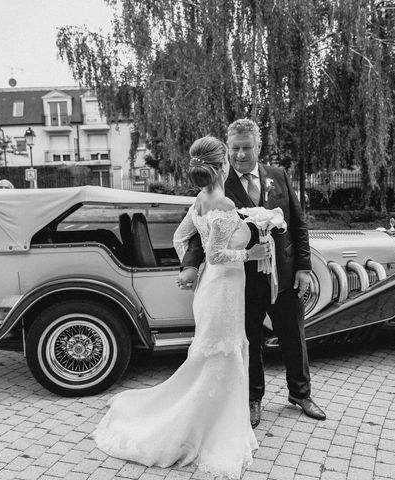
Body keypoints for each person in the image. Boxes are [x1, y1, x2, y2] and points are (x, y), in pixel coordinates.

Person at [94, 136, 271, 479]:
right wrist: (251, 254)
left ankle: (213, 415)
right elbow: (218, 254)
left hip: (211, 288)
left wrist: (193, 270)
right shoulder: (223, 204)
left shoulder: (200, 200)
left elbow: (180, 238)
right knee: (223, 353)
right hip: (224, 288)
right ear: (222, 166)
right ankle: (206, 425)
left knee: (214, 354)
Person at [179, 119, 326, 428]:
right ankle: (252, 399)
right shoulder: (217, 183)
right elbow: (196, 233)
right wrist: (190, 265)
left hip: (283, 277)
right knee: (250, 341)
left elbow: (299, 225)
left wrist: (303, 268)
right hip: (241, 279)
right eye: (235, 148)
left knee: (294, 336)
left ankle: (300, 393)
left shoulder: (279, 176)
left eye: (247, 147)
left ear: (259, 147)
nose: (241, 155)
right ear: (227, 149)